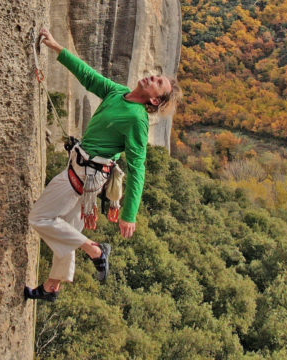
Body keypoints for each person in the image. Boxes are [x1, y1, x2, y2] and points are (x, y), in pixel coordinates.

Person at [23, 28, 177, 302]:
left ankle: (95, 250)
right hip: (83, 175)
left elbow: (138, 167)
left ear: (155, 100)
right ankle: (50, 288)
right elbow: (88, 76)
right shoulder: (119, 93)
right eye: (155, 75)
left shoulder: (137, 119)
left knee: (41, 218)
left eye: (157, 82)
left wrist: (129, 213)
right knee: (67, 232)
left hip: (83, 177)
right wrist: (57, 47)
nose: (151, 77)